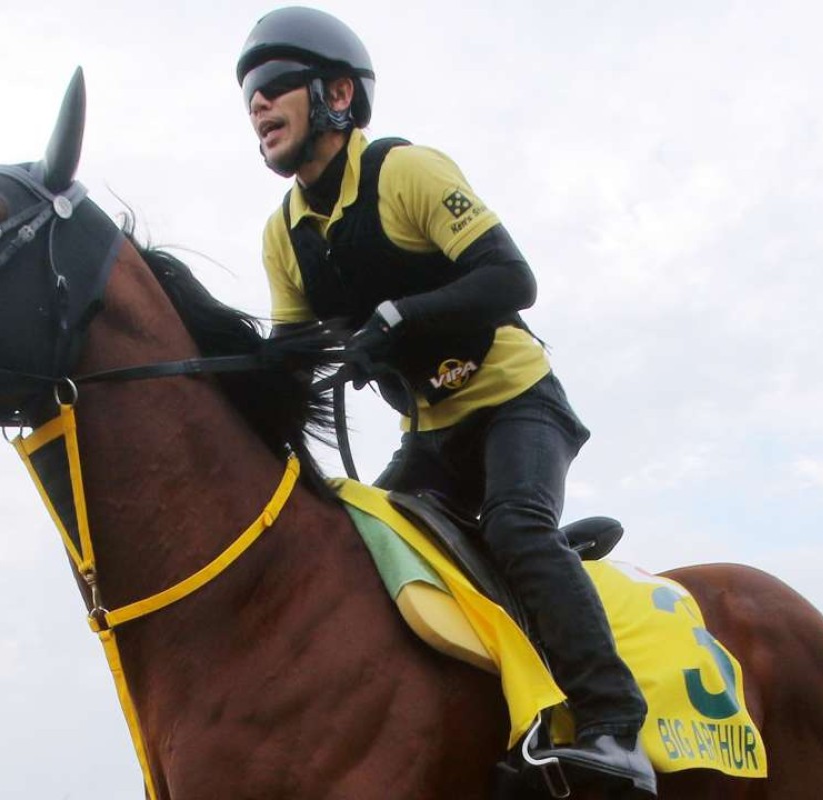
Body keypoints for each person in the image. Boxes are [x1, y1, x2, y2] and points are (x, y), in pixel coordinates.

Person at [237, 7, 655, 795]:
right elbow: (290, 363)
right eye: (247, 97)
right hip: (429, 437)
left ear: (335, 95)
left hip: (516, 403)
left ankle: (613, 725)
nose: (256, 106)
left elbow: (511, 280)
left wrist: (397, 321)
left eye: (270, 86)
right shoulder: (282, 234)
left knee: (515, 523)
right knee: (356, 560)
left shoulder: (407, 172)